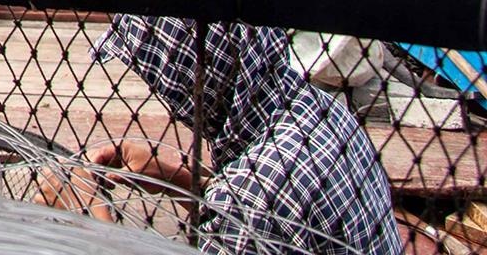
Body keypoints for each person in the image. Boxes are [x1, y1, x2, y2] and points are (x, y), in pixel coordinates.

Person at [41, 15, 398, 255]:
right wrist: (179, 183)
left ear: (194, 76)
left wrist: (87, 223)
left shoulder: (260, 186)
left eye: (161, 79)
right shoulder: (317, 108)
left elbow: (257, 206)